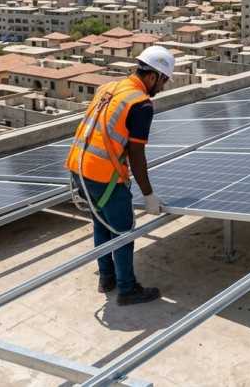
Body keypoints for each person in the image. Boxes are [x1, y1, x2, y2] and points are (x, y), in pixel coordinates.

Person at [66, 46, 174, 306]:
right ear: (153, 77)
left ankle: (107, 278)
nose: (162, 88)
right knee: (123, 231)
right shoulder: (141, 103)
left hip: (78, 169)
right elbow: (136, 155)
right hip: (104, 177)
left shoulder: (109, 88)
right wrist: (148, 195)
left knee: (102, 226)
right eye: (163, 82)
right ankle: (126, 289)